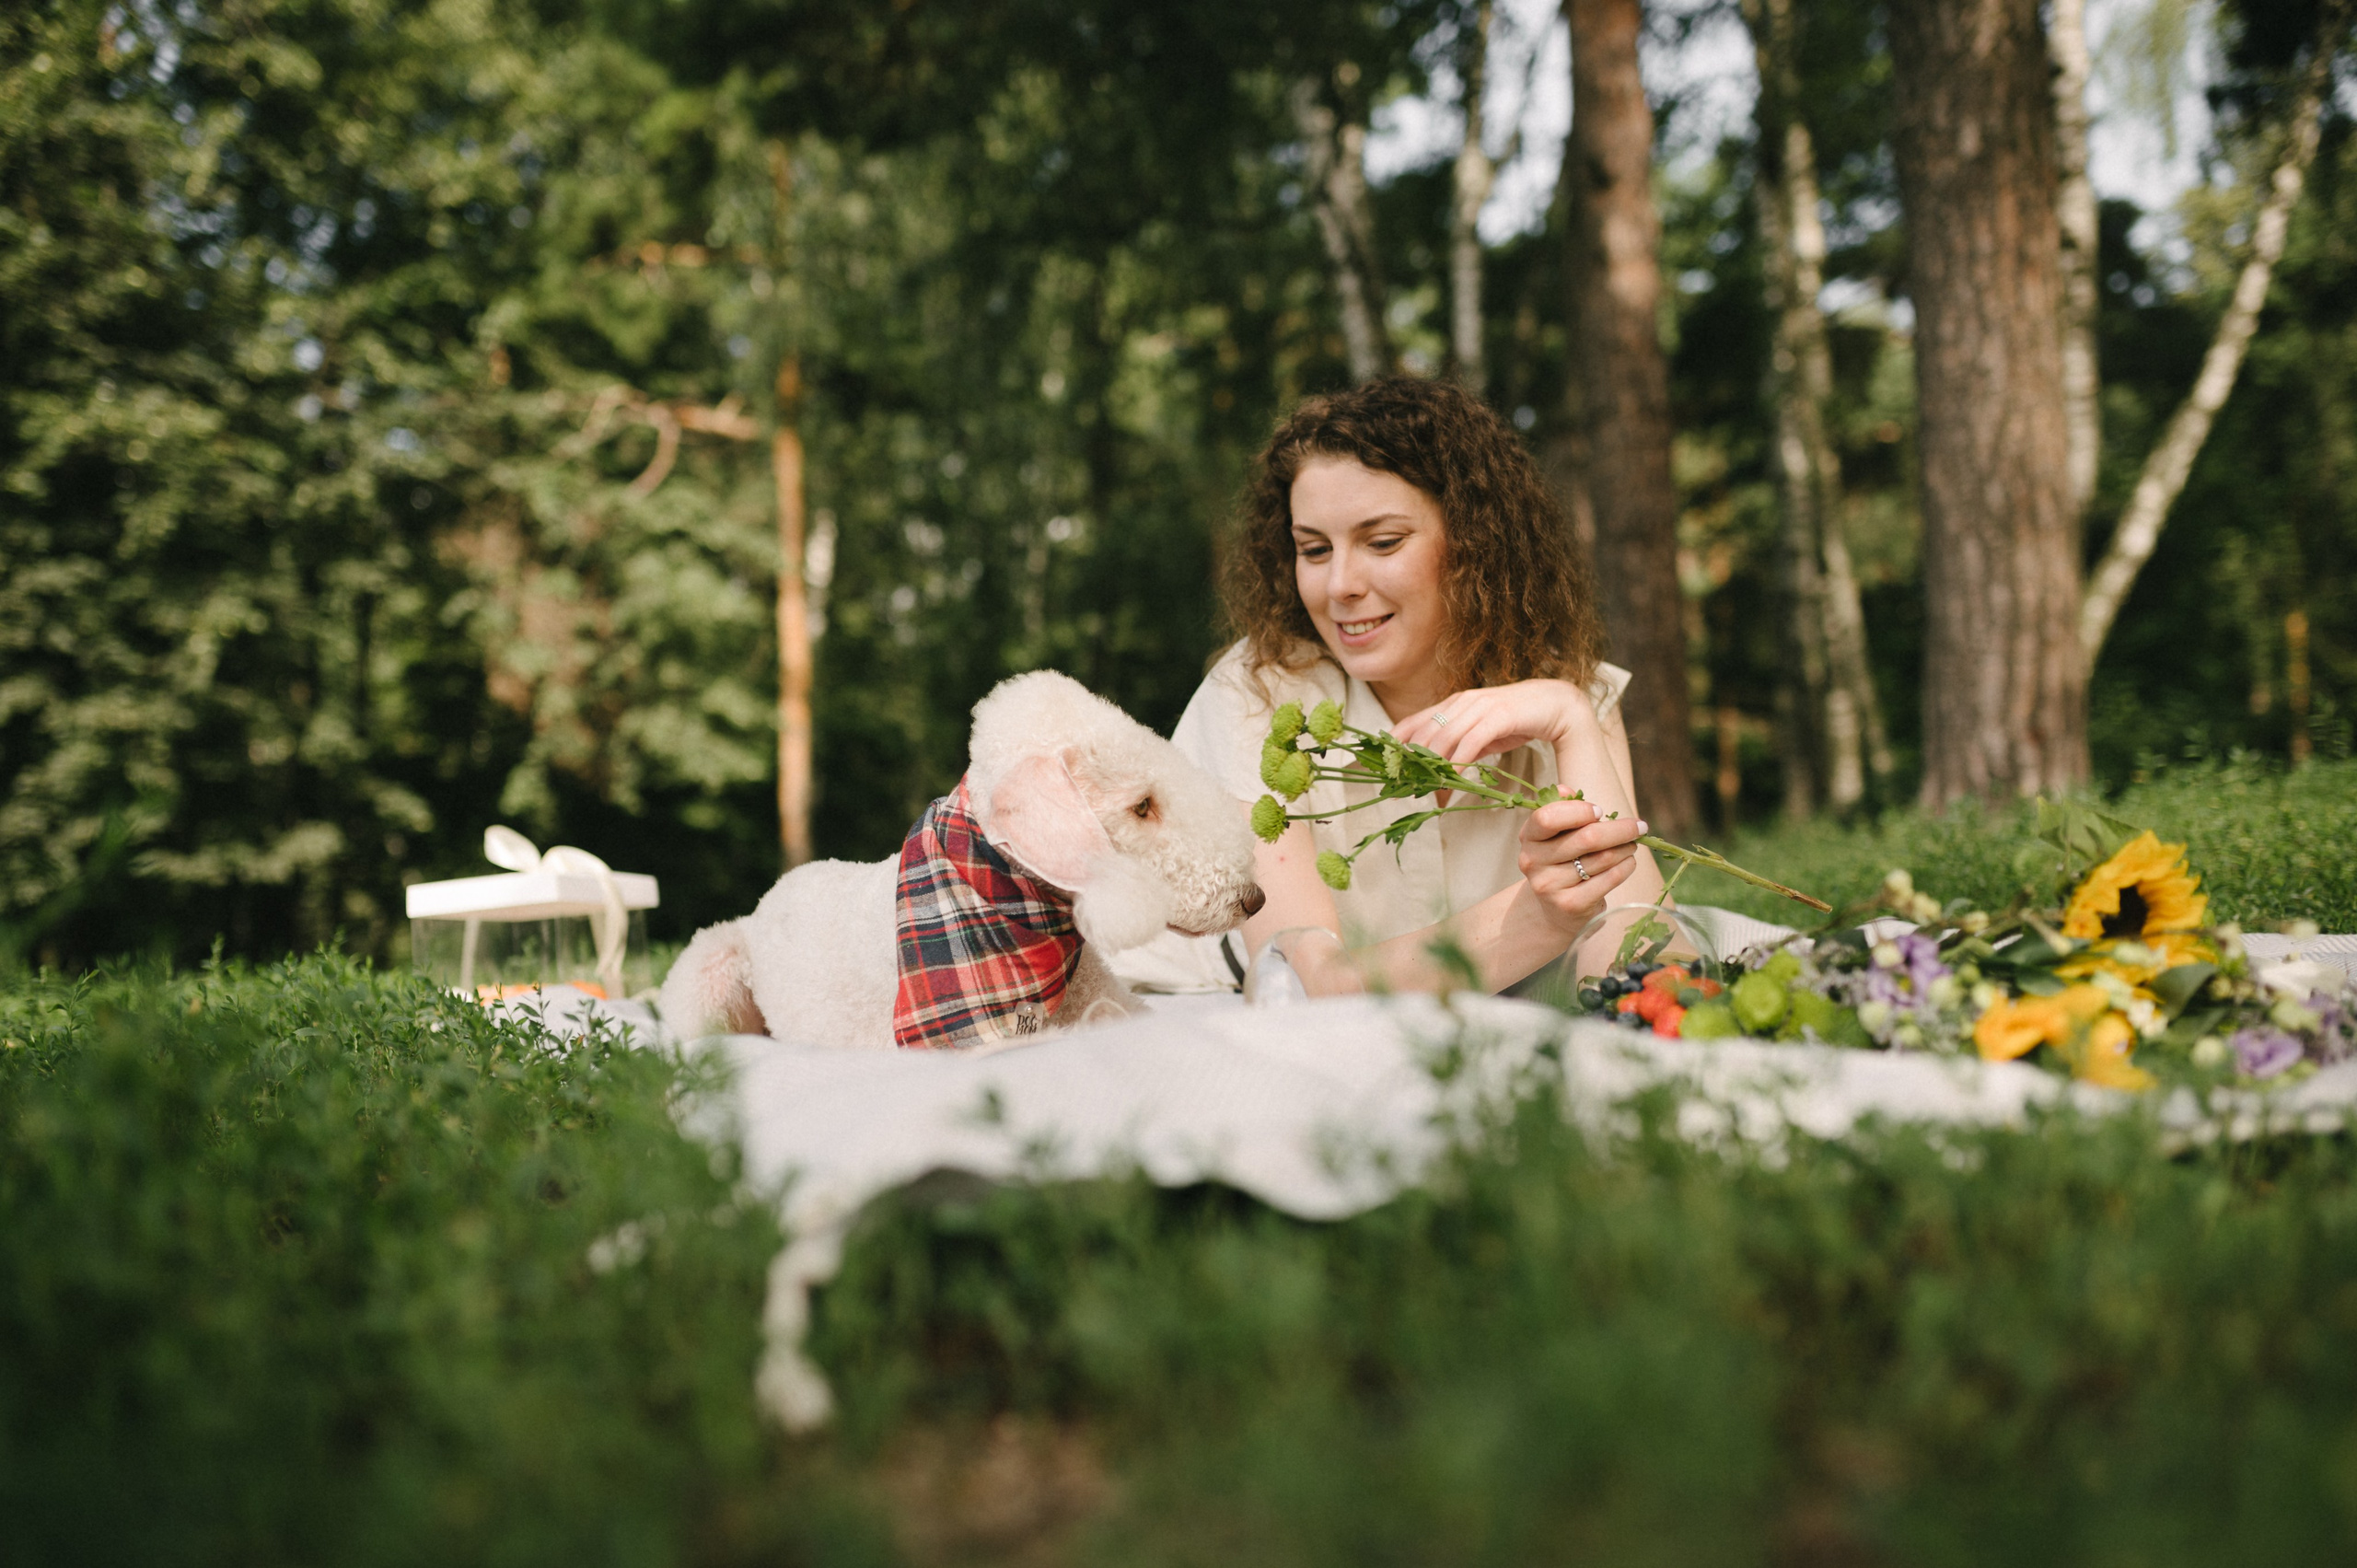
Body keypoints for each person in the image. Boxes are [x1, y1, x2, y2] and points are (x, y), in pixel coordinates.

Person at [1120, 376, 1666, 999]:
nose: (1340, 585)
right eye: (1315, 549)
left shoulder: (1568, 692)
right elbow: (1311, 989)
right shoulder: (1257, 695)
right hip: (1196, 1011)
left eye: (1382, 542)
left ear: (1472, 542)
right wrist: (1544, 916)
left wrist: (1571, 718)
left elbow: (1639, 969)